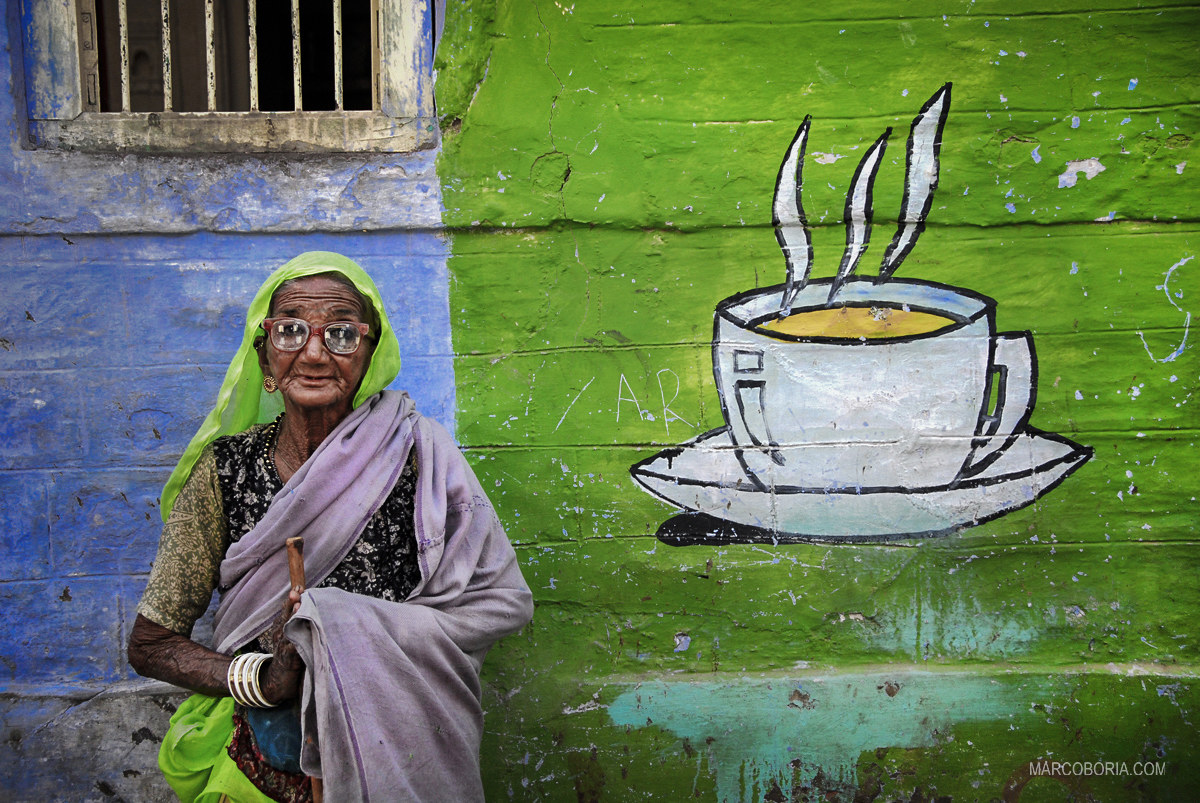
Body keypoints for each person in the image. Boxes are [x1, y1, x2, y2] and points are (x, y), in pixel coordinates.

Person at [128, 251, 534, 803]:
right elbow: (151, 643)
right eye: (291, 331)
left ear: (370, 354)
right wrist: (262, 679)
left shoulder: (421, 458)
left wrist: (341, 625)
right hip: (258, 773)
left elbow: (502, 602)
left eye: (342, 333)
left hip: (400, 758)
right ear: (265, 357)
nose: (315, 353)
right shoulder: (224, 472)